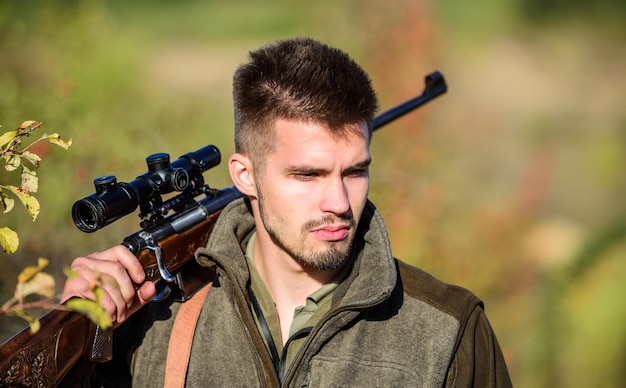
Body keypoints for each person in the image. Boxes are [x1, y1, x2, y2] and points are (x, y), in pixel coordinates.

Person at [62, 37, 512, 387]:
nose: (339, 203)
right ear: (245, 176)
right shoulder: (150, 322)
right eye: (308, 175)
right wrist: (78, 338)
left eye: (354, 172)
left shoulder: (448, 328)